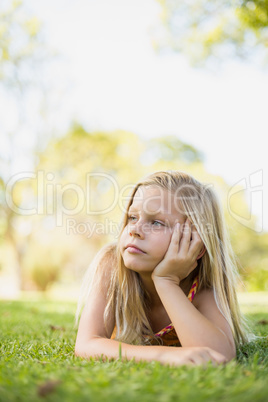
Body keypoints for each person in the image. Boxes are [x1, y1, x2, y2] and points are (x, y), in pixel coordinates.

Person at [75, 170, 249, 367]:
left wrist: (166, 282)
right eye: (132, 217)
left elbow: (219, 355)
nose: (134, 229)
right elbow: (87, 343)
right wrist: (163, 355)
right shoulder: (111, 264)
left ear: (194, 242)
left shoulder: (201, 288)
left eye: (156, 222)